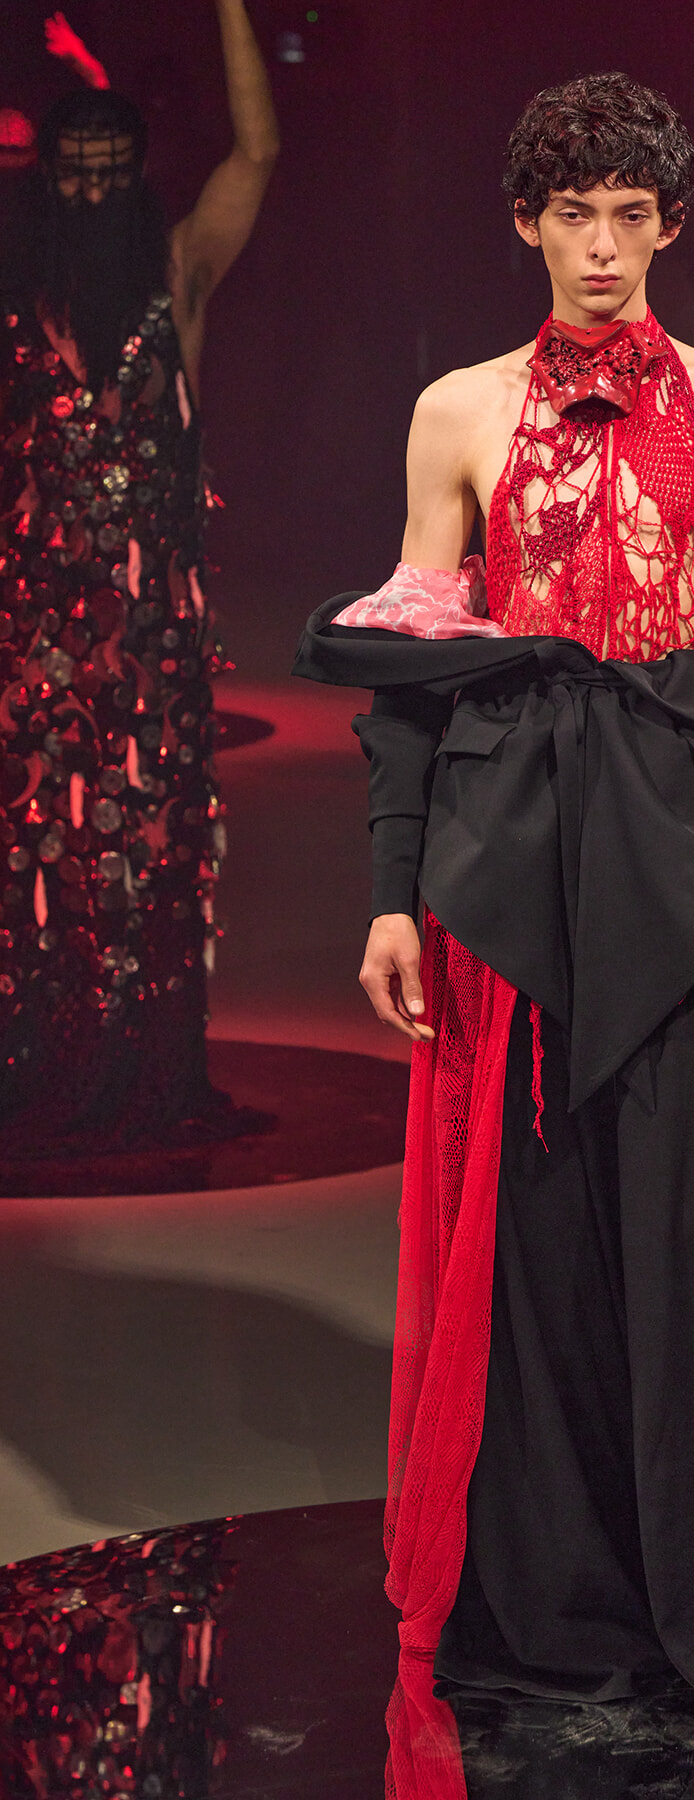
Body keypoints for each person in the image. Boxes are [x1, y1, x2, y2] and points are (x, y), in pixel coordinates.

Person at [294, 72, 694, 1771]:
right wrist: (390, 895)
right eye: (569, 211)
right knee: (535, 1255)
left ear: (668, 225)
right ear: (526, 223)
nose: (597, 245)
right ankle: (550, 1602)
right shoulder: (454, 413)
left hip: (690, 864)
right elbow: (407, 691)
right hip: (505, 869)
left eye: (627, 213)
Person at [0, 0, 278, 1150]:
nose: (92, 192)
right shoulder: (21, 295)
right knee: (38, 838)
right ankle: (37, 1051)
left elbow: (256, 151)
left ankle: (145, 1060)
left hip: (154, 612)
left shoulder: (179, 268)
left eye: (111, 171)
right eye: (73, 173)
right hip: (32, 613)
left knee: (150, 834)